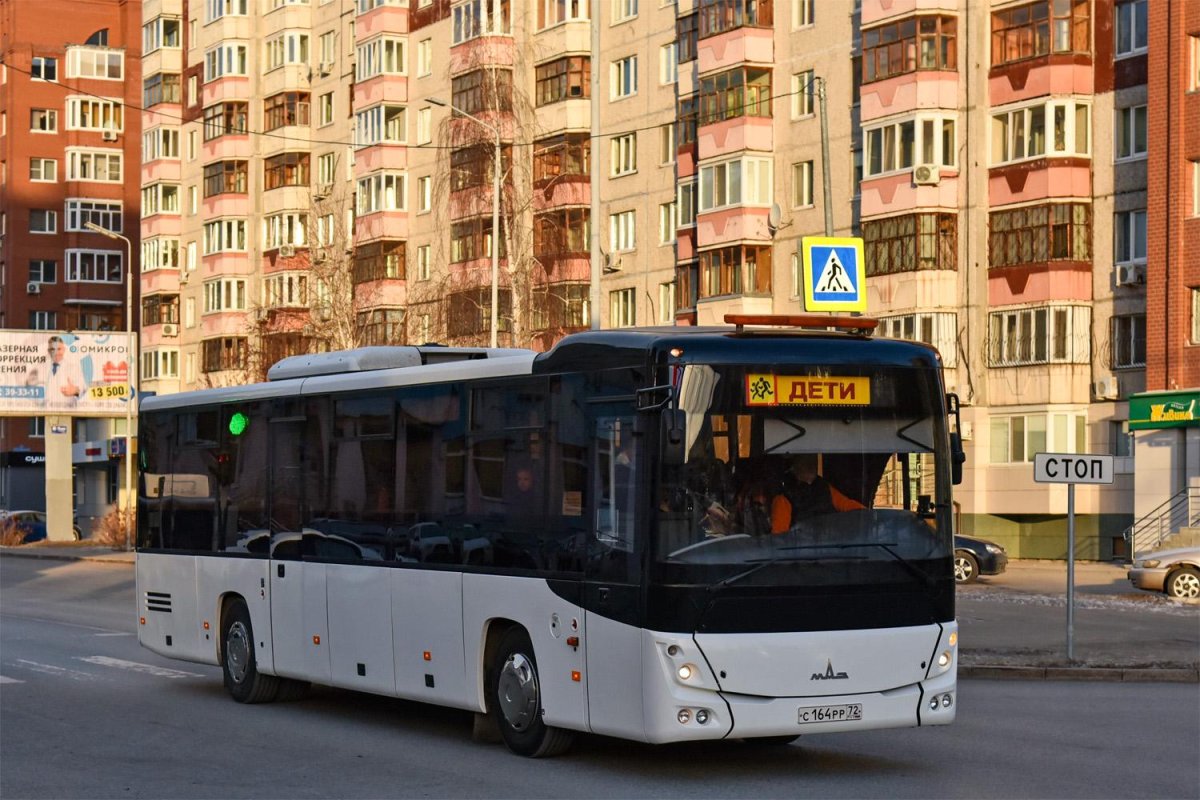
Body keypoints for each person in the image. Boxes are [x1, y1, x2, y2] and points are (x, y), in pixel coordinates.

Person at [770, 453, 864, 534]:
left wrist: (868, 515)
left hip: (832, 544)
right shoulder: (784, 498)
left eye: (814, 459)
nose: (812, 464)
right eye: (806, 460)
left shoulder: (825, 488)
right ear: (795, 464)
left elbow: (849, 506)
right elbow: (779, 538)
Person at [38, 336, 88, 409]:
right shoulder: (41, 368)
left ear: (64, 350)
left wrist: (75, 390)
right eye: (52, 349)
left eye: (59, 349)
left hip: (66, 411)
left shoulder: (73, 368)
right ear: (48, 351)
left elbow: (83, 388)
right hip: (46, 412)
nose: (56, 353)